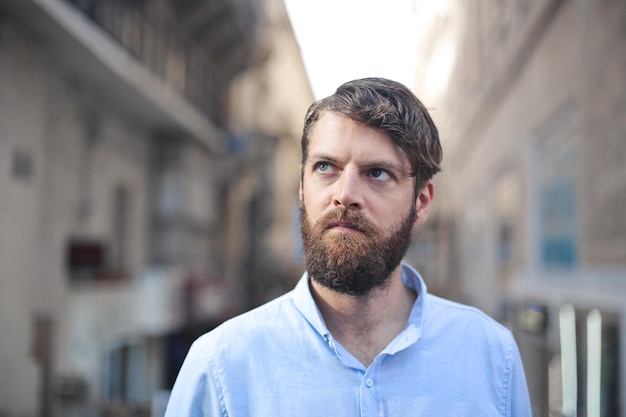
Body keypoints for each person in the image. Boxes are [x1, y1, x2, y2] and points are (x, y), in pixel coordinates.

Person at [165, 77, 532, 416]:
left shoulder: (491, 356)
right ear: (301, 187)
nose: (345, 195)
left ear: (421, 201)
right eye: (326, 167)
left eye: (377, 173)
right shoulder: (220, 368)